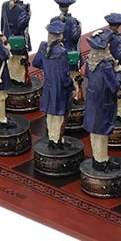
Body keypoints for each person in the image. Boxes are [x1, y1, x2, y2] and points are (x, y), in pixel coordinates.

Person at [83, 29, 121, 171]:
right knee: (102, 132)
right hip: (104, 102)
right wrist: (118, 72)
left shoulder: (90, 60)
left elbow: (86, 75)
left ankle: (97, 158)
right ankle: (101, 161)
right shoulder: (106, 66)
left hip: (92, 100)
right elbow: (115, 86)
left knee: (94, 131)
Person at [32, 20, 74, 148]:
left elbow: (35, 63)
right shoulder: (61, 52)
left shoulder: (43, 47)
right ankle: (57, 140)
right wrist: (71, 86)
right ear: (60, 36)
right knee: (59, 114)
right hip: (59, 87)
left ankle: (52, 138)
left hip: (48, 84)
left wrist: (47, 67)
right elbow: (64, 75)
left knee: (50, 112)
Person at [0, 0, 32, 85]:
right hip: (19, 38)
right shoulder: (22, 8)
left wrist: (4, 35)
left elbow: (2, 23)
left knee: (11, 58)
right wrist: (28, 15)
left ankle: (11, 77)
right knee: (20, 60)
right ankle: (19, 79)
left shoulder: (4, 5)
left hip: (8, 37)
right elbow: (22, 25)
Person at [105, 13, 121, 118]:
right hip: (118, 67)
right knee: (120, 91)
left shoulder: (105, 36)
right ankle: (119, 114)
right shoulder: (118, 39)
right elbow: (119, 55)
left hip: (107, 67)